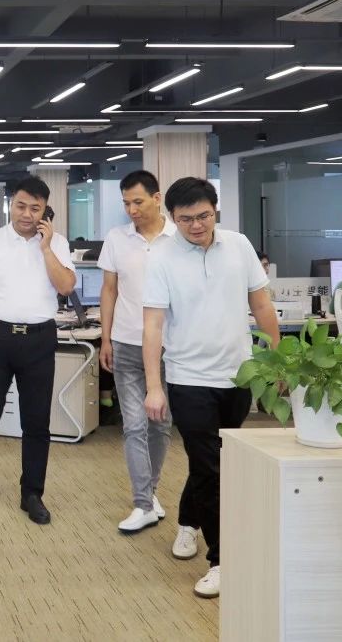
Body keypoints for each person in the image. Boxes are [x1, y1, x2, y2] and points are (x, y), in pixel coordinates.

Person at [143, 177, 279, 599]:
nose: (196, 225)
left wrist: (277, 359)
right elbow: (153, 325)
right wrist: (154, 386)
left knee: (212, 464)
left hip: (238, 376)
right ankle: (221, 561)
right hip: (188, 378)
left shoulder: (239, 245)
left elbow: (261, 303)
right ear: (172, 217)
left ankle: (188, 521)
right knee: (212, 466)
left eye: (203, 216)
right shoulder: (160, 257)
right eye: (185, 219)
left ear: (215, 210)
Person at [0, 174, 76, 524]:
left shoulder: (57, 243)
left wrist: (46, 248)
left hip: (39, 339)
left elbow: (66, 286)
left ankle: (31, 492)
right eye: (21, 206)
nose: (26, 214)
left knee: (36, 420)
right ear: (11, 204)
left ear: (45, 211)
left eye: (35, 208)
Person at [98, 170, 177, 534]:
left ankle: (151, 491)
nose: (131, 210)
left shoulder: (178, 239)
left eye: (138, 202)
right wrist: (106, 338)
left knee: (160, 425)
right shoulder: (117, 238)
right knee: (133, 425)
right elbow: (109, 290)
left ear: (157, 198)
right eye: (126, 203)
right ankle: (143, 503)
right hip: (127, 343)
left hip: (170, 346)